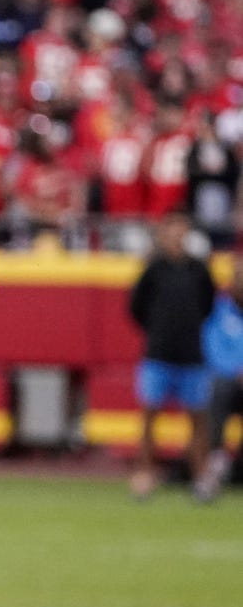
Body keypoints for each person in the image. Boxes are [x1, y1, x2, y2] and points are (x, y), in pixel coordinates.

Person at [128, 212, 216, 501]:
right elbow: (136, 307)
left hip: (192, 355)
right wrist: (158, 330)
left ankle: (201, 477)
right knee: (150, 416)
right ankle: (145, 475)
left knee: (198, 419)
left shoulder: (198, 270)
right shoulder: (153, 269)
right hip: (159, 353)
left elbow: (207, 306)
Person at [198, 253, 243, 498]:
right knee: (218, 390)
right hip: (228, 381)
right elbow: (213, 347)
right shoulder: (219, 310)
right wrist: (237, 370)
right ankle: (216, 460)